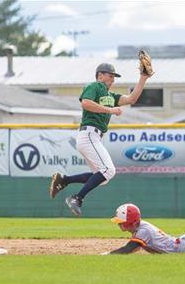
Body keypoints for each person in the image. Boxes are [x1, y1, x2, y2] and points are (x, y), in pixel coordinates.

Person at [49, 63, 152, 216]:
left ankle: (64, 180)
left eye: (114, 77)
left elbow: (132, 99)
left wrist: (143, 78)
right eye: (110, 76)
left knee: (102, 178)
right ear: (100, 75)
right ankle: (77, 198)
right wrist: (110, 110)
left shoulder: (111, 96)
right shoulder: (95, 86)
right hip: (89, 134)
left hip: (94, 137)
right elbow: (86, 103)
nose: (113, 80)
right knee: (109, 170)